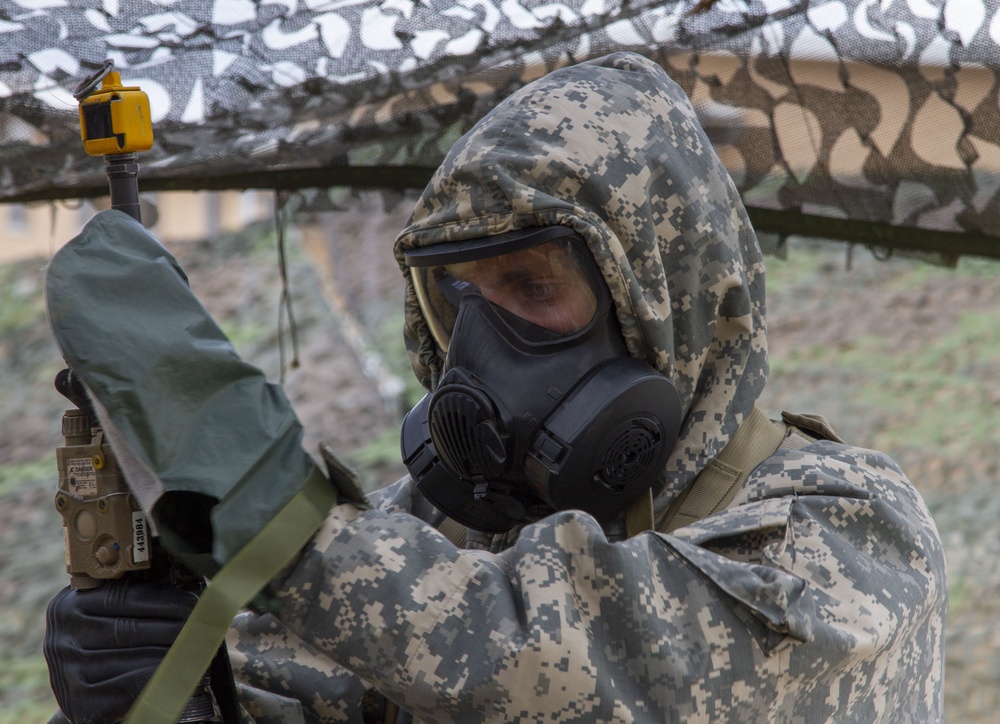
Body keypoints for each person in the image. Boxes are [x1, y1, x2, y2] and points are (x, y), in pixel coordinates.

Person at [44, 52, 946, 723]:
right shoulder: (431, 535)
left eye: (534, 286)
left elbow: (581, 662)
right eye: (456, 295)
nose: (479, 345)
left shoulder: (849, 531)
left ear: (664, 294)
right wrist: (183, 694)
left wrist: (272, 515)